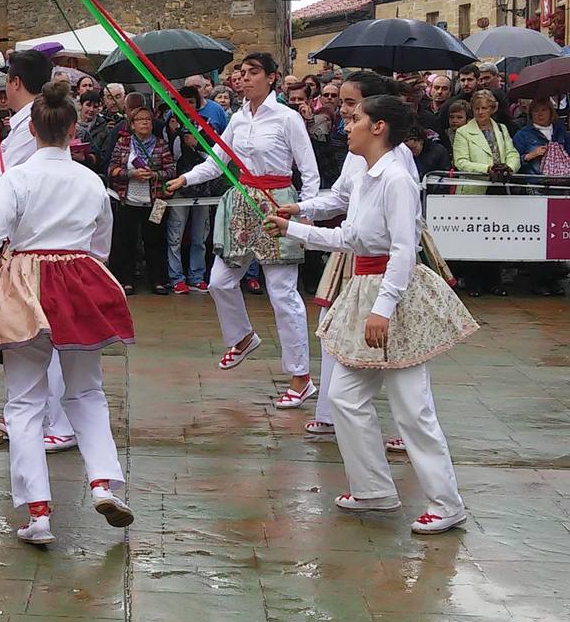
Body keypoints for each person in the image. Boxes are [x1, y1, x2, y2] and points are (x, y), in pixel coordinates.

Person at [265, 95, 477, 535]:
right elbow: (349, 236)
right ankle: (373, 489)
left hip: (391, 295)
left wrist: (383, 309)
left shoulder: (397, 178)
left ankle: (447, 502)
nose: (348, 124)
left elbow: (404, 249)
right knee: (343, 396)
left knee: (412, 407)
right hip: (364, 288)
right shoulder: (365, 174)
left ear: (379, 127)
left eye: (356, 118)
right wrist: (293, 226)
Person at [0, 80, 134, 545]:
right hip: (80, 278)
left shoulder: (18, 178)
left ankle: (39, 513)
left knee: (25, 402)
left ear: (33, 128)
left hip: (26, 282)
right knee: (87, 393)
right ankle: (103, 482)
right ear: (73, 128)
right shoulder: (91, 181)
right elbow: (101, 246)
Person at [167, 52, 320, 409]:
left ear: (272, 78)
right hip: (242, 201)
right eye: (241, 73)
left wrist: (306, 212)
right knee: (219, 281)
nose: (244, 78)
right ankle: (242, 337)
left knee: (282, 293)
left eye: (253, 73)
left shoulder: (288, 118)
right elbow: (217, 161)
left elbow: (309, 171)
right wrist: (185, 178)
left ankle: (301, 377)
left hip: (277, 201)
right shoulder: (237, 118)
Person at [278, 71, 416, 445]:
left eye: (352, 106)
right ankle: (330, 412)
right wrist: (300, 209)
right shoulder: (357, 155)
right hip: (355, 254)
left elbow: (401, 236)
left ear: (376, 117)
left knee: (400, 352)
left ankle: (408, 430)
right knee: (333, 326)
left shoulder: (396, 162)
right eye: (341, 105)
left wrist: (385, 300)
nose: (343, 114)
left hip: (385, 263)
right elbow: (340, 200)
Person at [0, 49, 80, 451]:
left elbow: (2, 181)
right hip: (37, 249)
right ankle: (37, 414)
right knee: (35, 335)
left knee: (45, 336)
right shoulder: (26, 126)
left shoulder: (27, 130)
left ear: (14, 83)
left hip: (41, 250)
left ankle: (60, 423)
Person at [452, 89, 520, 297]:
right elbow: (461, 161)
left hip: (499, 186)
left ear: (492, 109)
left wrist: (509, 167)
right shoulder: (463, 132)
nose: (481, 112)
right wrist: (486, 169)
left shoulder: (500, 128)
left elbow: (512, 152)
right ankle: (474, 282)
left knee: (495, 234)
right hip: (475, 187)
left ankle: (494, 281)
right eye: (477, 108)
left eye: (485, 108)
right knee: (474, 236)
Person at [107, 105, 170, 295]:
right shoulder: (123, 144)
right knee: (126, 241)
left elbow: (171, 170)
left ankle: (157, 280)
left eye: (148, 119)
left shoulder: (161, 144)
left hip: (154, 201)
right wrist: (131, 173)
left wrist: (154, 174)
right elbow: (112, 169)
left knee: (155, 241)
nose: (145, 122)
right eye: (140, 119)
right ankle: (126, 280)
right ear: (132, 124)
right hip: (128, 200)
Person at [513, 97, 570, 295]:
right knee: (538, 234)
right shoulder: (523, 135)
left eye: (544, 110)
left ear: (551, 112)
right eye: (535, 111)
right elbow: (516, 159)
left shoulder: (561, 132)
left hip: (560, 186)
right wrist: (532, 155)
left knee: (556, 234)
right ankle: (539, 279)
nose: (540, 114)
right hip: (536, 185)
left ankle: (554, 278)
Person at [164, 88, 211, 295]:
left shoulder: (206, 125)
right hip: (179, 188)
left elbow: (215, 157)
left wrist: (197, 143)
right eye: (184, 102)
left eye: (191, 102)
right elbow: (167, 157)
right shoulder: (169, 127)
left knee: (200, 235)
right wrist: (174, 135)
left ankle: (197, 276)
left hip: (203, 189)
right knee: (175, 235)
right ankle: (176, 277)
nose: (187, 106)